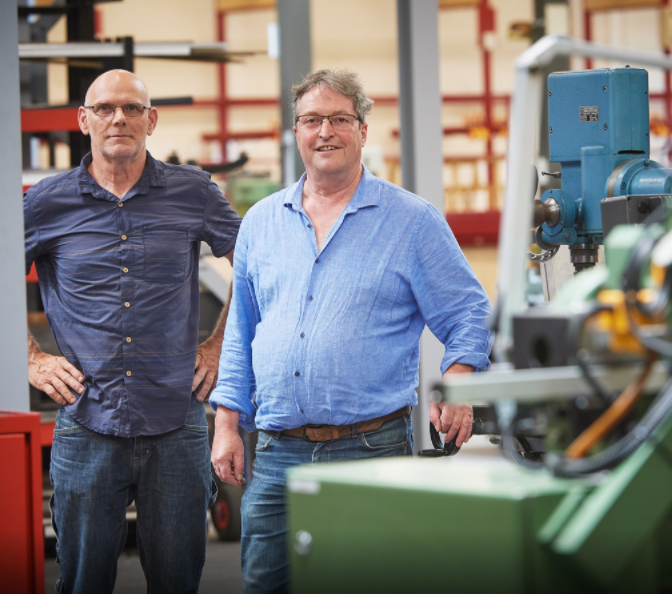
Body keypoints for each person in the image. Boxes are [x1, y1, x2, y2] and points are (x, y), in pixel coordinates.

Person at [209, 69, 493, 593]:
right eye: (312, 120)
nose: (325, 132)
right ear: (295, 131)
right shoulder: (261, 222)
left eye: (340, 119)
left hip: (372, 450)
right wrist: (227, 421)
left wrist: (459, 382)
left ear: (363, 129)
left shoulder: (411, 221)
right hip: (275, 455)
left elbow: (469, 312)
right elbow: (241, 333)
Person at [24, 69, 241, 594]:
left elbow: (257, 269)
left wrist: (218, 346)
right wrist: (30, 357)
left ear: (152, 120)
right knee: (82, 582)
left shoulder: (194, 192)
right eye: (104, 108)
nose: (118, 117)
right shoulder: (46, 202)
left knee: (177, 583)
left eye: (132, 108)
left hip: (177, 420)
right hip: (87, 422)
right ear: (83, 121)